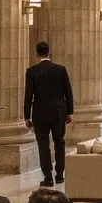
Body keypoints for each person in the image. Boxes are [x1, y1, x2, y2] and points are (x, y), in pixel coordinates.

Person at [24, 40, 74, 186]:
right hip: (59, 111)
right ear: (49, 52)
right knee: (59, 142)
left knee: (43, 145)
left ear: (36, 53)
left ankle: (48, 177)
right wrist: (69, 112)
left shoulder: (32, 71)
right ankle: (59, 174)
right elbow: (68, 92)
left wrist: (27, 116)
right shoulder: (61, 69)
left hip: (40, 113)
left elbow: (28, 95)